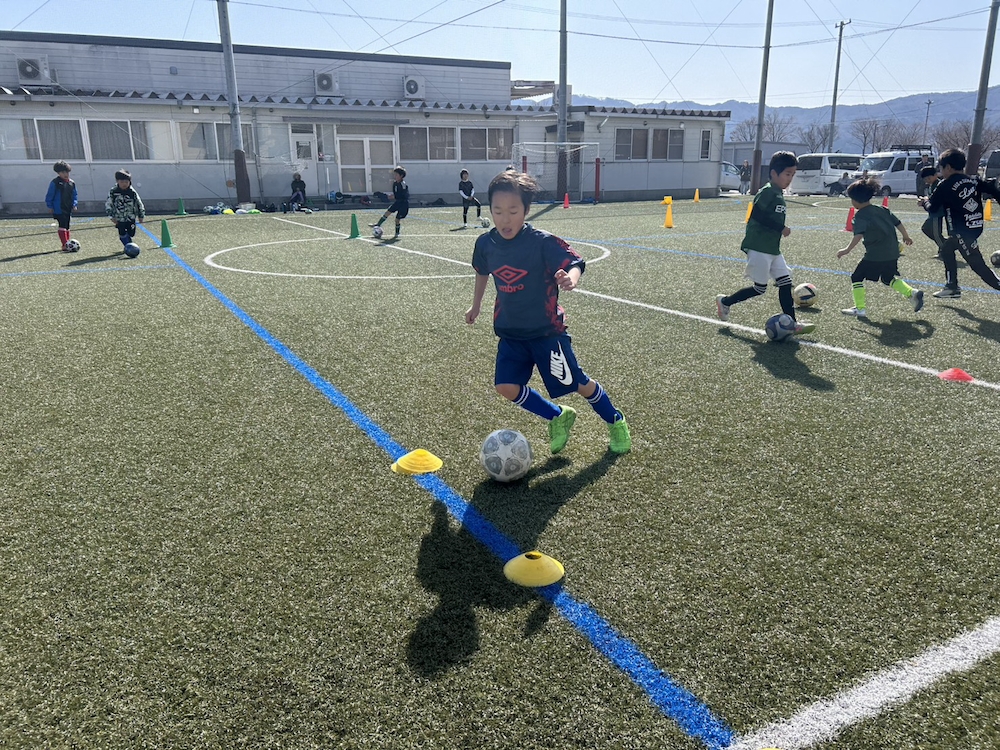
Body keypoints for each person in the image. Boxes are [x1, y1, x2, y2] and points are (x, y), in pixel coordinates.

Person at [464, 170, 631, 455]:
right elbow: (482, 271)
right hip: (510, 332)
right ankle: (558, 416)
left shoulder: (541, 241)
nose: (505, 219)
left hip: (546, 332)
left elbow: (575, 262)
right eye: (498, 211)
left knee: (578, 383)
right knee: (505, 386)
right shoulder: (485, 243)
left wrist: (571, 279)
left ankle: (615, 420)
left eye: (513, 211)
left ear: (526, 211)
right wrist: (476, 304)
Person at [715, 151, 815, 335]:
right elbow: (757, 214)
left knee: (785, 282)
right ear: (774, 173)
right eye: (787, 174)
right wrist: (781, 227)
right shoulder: (768, 192)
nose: (790, 179)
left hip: (773, 249)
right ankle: (725, 301)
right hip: (759, 247)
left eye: (793, 174)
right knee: (760, 288)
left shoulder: (778, 193)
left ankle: (792, 323)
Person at [835, 177, 921, 318]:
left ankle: (860, 309)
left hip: (875, 254)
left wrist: (846, 250)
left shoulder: (860, 216)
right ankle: (912, 292)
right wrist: (906, 236)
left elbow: (858, 235)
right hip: (893, 252)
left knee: (856, 277)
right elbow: (898, 222)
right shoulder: (882, 209)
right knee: (887, 278)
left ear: (855, 200)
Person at [923, 148, 1000, 299]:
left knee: (978, 266)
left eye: (941, 168)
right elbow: (993, 190)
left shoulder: (945, 185)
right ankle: (952, 286)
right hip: (975, 227)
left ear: (948, 167)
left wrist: (925, 202)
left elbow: (932, 208)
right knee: (947, 249)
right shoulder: (974, 180)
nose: (940, 172)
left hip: (962, 232)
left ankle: (954, 287)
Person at [105, 169, 145, 251]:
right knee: (122, 233)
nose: (124, 184)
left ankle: (128, 241)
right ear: (117, 181)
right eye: (122, 182)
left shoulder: (132, 192)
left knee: (131, 233)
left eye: (126, 182)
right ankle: (128, 247)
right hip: (119, 218)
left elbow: (139, 203)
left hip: (131, 217)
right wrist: (111, 216)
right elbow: (108, 204)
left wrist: (141, 215)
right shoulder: (113, 192)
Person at [45, 160, 78, 251]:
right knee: (62, 225)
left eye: (67, 172)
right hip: (59, 208)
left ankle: (67, 243)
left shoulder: (71, 183)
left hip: (68, 208)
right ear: (58, 173)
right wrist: (50, 206)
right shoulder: (55, 183)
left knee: (67, 226)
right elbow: (50, 195)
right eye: (63, 172)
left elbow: (74, 195)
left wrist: (74, 204)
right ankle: (64, 244)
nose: (65, 174)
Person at [369, 166, 409, 238]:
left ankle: (397, 233)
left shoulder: (403, 184)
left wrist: (395, 196)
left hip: (403, 204)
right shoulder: (395, 183)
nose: (395, 176)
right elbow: (396, 193)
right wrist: (393, 196)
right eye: (394, 174)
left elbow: (404, 195)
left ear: (401, 176)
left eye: (396, 175)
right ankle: (378, 224)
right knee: (387, 212)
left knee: (397, 220)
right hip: (397, 202)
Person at [917, 165, 944, 257]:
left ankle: (944, 250)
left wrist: (925, 201)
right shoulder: (931, 185)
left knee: (936, 234)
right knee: (926, 229)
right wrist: (924, 202)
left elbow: (934, 200)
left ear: (935, 175)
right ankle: (945, 244)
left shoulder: (938, 184)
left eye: (929, 178)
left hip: (937, 213)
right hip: (932, 213)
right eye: (925, 179)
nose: (927, 180)